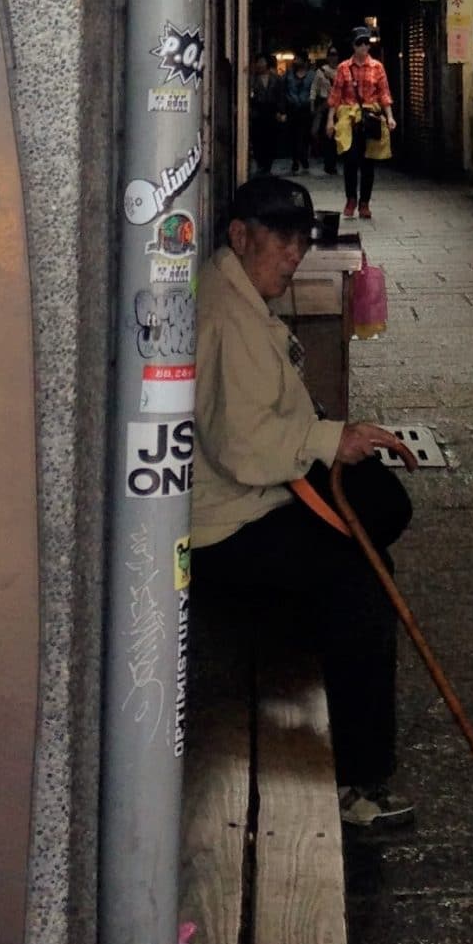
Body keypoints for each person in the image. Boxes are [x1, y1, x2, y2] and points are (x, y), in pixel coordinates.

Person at [190, 174, 417, 831]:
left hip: (258, 494)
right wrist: (326, 439)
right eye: (281, 241)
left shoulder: (237, 292)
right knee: (363, 584)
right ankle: (359, 783)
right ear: (241, 235)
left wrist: (334, 438)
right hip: (228, 526)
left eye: (301, 242)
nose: (293, 256)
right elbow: (240, 444)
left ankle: (319, 635)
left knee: (382, 506)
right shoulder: (224, 316)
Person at [330, 26, 392, 220]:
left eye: (367, 42)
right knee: (350, 159)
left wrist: (389, 116)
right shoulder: (343, 68)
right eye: (360, 43)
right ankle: (351, 199)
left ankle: (364, 202)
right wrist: (329, 120)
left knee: (368, 162)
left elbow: (384, 93)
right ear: (353, 45)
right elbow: (336, 95)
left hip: (370, 116)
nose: (364, 46)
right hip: (349, 118)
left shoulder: (377, 67)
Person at [281, 52, 316, 172]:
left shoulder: (312, 75)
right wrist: (283, 110)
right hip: (292, 109)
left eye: (299, 59)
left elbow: (315, 90)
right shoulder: (288, 75)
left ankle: (304, 157)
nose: (296, 61)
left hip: (306, 109)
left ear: (305, 62)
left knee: (304, 135)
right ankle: (295, 160)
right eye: (295, 59)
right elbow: (283, 90)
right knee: (293, 136)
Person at [248, 56, 283, 174]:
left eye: (262, 61)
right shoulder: (252, 79)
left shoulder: (276, 79)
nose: (259, 64)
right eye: (258, 62)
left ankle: (268, 166)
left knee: (271, 140)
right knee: (258, 139)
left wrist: (280, 111)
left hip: (271, 113)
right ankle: (260, 164)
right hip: (258, 113)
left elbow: (280, 96)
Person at [310, 51, 336, 174]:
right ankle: (327, 162)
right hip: (324, 104)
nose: (333, 57)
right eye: (331, 55)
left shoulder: (342, 69)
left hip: (338, 105)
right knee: (325, 134)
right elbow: (314, 88)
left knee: (336, 135)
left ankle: (333, 162)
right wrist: (312, 103)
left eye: (335, 55)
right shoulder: (320, 71)